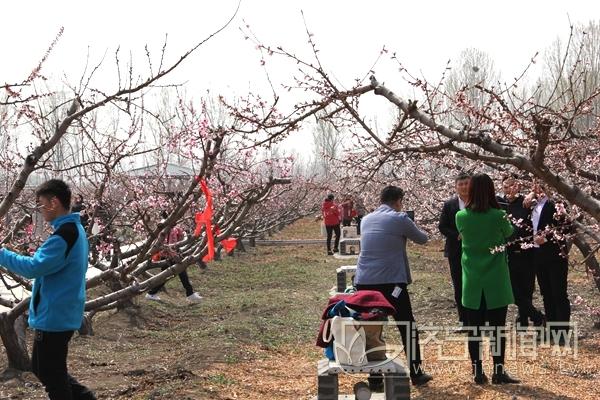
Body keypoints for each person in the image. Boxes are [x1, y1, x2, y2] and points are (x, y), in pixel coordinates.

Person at [0, 179, 96, 400]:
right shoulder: (73, 229)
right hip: (62, 311)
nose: (40, 209)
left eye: (41, 203)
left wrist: (3, 254)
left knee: (52, 375)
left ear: (54, 202)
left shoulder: (64, 235)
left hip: (55, 315)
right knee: (46, 369)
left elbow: (34, 267)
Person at [355, 185, 432, 389]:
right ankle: (416, 373)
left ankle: (375, 379)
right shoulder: (400, 218)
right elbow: (423, 239)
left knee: (372, 328)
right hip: (390, 282)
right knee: (407, 326)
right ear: (399, 201)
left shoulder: (366, 219)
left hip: (364, 281)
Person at [455, 173, 519, 385]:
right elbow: (509, 233)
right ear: (492, 191)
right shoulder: (499, 215)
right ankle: (499, 372)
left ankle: (477, 372)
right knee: (497, 329)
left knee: (474, 330)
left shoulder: (461, 216)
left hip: (472, 280)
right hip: (496, 279)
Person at [524, 182, 572, 345]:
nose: (537, 187)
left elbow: (567, 228)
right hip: (538, 254)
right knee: (546, 293)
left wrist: (548, 238)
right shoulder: (533, 204)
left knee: (559, 293)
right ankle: (552, 329)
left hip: (555, 255)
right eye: (534, 184)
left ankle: (563, 333)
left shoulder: (557, 203)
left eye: (541, 184)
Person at [500, 177, 545, 330]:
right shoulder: (499, 203)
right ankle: (536, 315)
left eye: (512, 186)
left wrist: (532, 193)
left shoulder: (527, 202)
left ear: (518, 186)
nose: (509, 190)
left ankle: (523, 318)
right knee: (513, 288)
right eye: (506, 187)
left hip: (527, 251)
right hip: (508, 251)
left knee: (526, 287)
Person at [146, 212, 203, 303]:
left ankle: (152, 293)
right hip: (168, 255)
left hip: (172, 254)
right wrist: (174, 255)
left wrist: (181, 235)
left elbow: (178, 239)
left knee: (172, 275)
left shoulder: (172, 227)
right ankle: (190, 294)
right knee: (174, 274)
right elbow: (165, 244)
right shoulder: (165, 227)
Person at [438, 172, 471, 327]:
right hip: (456, 250)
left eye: (467, 184)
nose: (464, 187)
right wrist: (456, 235)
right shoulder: (449, 204)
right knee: (459, 284)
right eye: (461, 184)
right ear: (456, 187)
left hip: (476, 250)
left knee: (475, 284)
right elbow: (442, 226)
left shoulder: (478, 202)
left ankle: (478, 317)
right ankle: (463, 319)